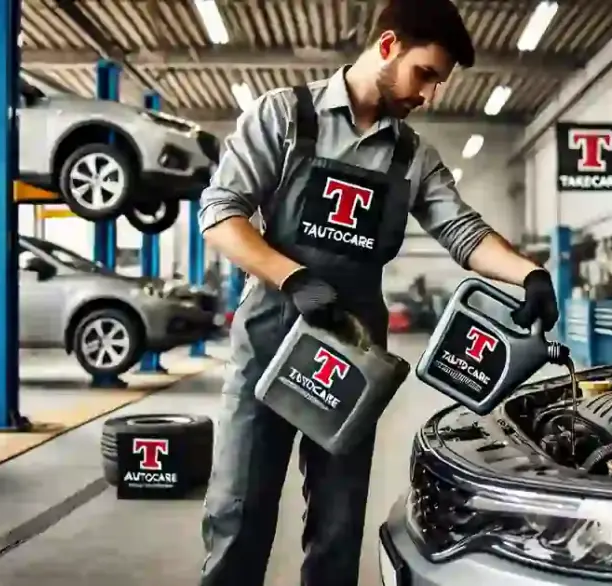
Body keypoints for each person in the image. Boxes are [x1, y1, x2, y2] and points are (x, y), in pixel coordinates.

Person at [195, 0, 561, 584]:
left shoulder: (413, 156)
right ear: (388, 46)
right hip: (269, 341)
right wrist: (292, 276)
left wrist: (528, 274)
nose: (431, 95)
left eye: (439, 82)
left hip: (352, 356)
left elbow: (461, 230)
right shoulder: (284, 116)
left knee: (339, 528)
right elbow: (220, 215)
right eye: (426, 74)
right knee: (239, 514)